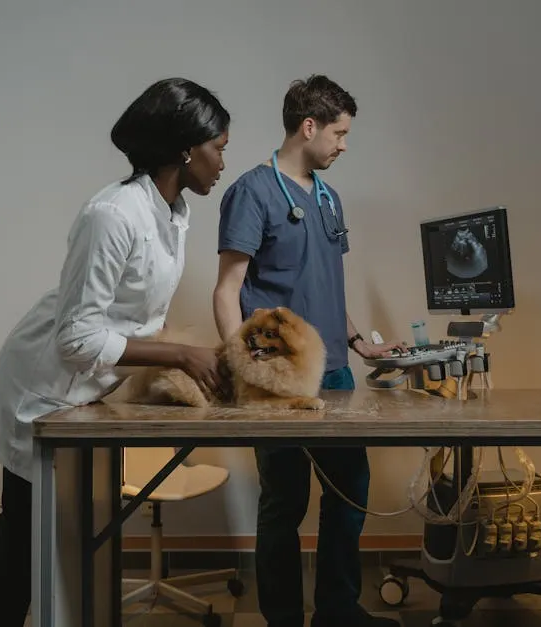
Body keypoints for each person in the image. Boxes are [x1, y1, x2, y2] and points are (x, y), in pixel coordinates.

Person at [0, 77, 231, 627]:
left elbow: (132, 312)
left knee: (22, 526)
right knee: (27, 544)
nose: (222, 161)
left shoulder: (173, 214)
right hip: (42, 384)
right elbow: (76, 337)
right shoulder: (112, 213)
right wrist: (177, 355)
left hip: (82, 388)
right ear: (184, 148)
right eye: (218, 147)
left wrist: (173, 352)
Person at [213, 75, 405, 627]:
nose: (343, 145)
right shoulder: (252, 192)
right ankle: (282, 619)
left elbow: (323, 282)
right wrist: (240, 369)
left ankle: (338, 612)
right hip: (278, 381)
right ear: (309, 126)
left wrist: (359, 343)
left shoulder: (327, 196)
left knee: (350, 494)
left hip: (336, 374)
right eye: (340, 134)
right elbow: (228, 289)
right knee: (285, 502)